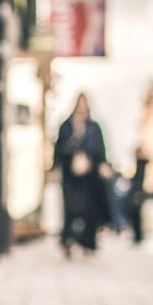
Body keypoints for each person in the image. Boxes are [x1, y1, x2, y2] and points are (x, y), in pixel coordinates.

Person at [53, 94, 108, 256]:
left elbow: (100, 149)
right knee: (71, 207)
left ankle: (88, 241)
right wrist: (57, 166)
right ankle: (68, 239)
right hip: (71, 175)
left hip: (89, 176)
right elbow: (59, 148)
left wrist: (101, 164)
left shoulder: (94, 127)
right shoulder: (67, 125)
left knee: (89, 209)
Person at [127, 147, 149, 244]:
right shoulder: (139, 163)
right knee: (135, 215)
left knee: (136, 215)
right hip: (137, 192)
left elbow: (138, 181)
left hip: (137, 193)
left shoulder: (140, 164)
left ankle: (138, 236)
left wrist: (137, 193)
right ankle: (137, 236)